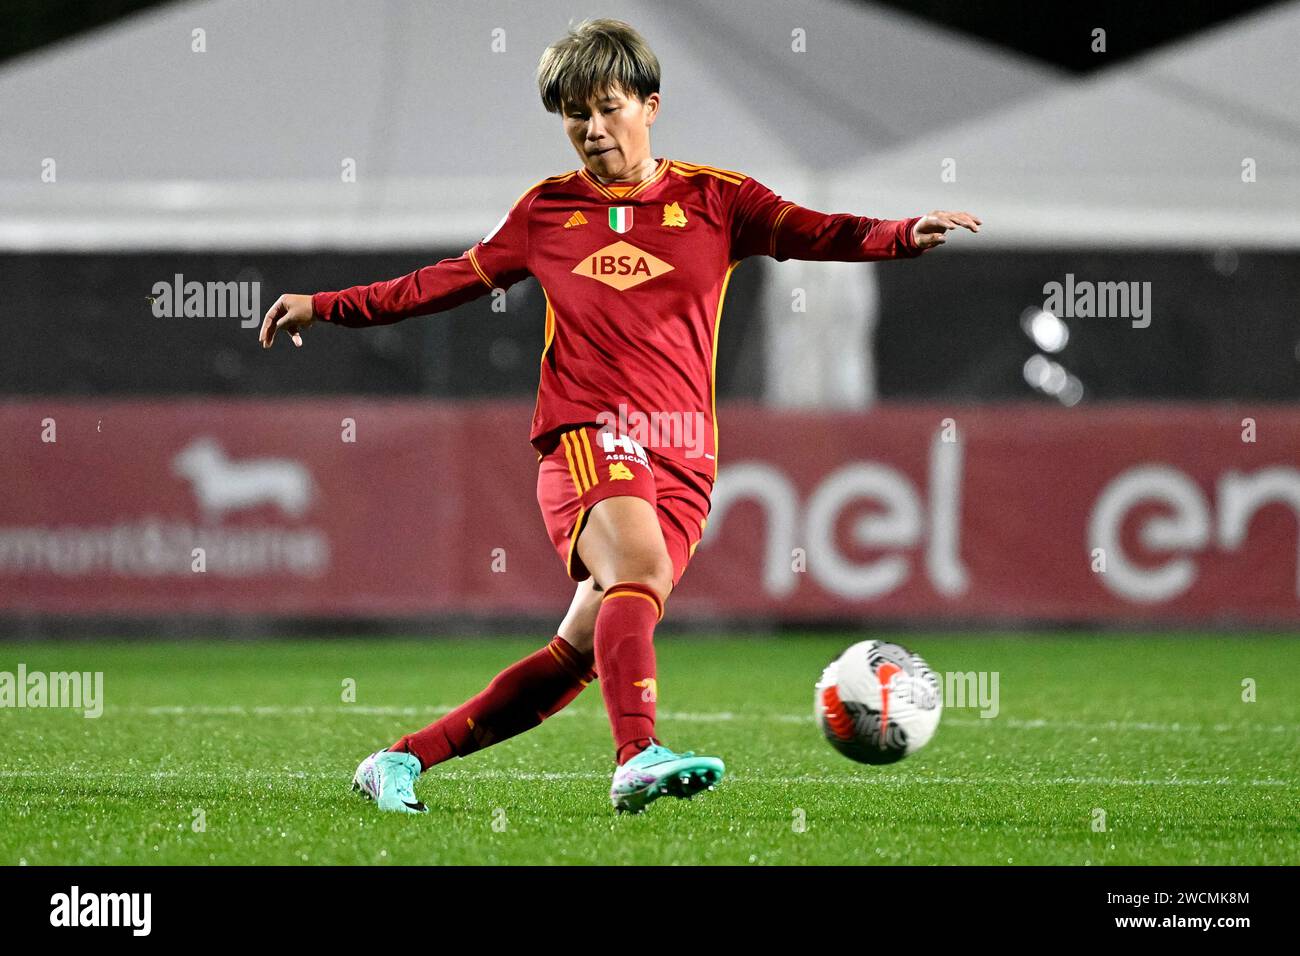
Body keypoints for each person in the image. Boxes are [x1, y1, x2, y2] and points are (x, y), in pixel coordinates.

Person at [259, 17, 980, 814]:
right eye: (574, 115)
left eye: (607, 107)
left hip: (683, 459)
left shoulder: (718, 200)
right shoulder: (545, 212)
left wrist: (901, 234)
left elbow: (816, 231)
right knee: (636, 573)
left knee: (577, 653)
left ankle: (398, 761)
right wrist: (326, 306)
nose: (591, 130)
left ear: (650, 104)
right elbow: (439, 283)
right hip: (587, 438)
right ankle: (636, 754)